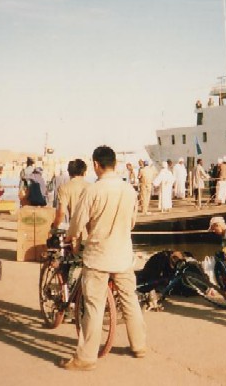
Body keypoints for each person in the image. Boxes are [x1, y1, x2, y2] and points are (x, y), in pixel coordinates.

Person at [60, 145, 146, 371]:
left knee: (94, 307)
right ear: (115, 164)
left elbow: (77, 223)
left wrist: (72, 237)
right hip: (123, 255)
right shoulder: (129, 190)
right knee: (130, 301)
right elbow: (132, 222)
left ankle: (87, 357)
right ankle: (139, 346)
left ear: (96, 165)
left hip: (98, 256)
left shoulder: (93, 191)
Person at [51, 159, 90, 230]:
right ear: (84, 172)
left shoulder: (64, 188)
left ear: (69, 172)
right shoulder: (91, 187)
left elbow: (61, 213)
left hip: (74, 229)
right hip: (89, 230)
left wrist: (55, 227)